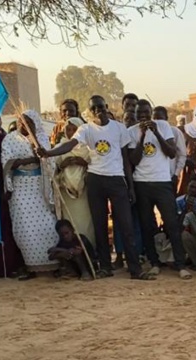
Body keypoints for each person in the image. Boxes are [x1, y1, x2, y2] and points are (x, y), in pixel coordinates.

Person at [39, 95, 145, 280]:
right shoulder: (85, 129)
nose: (98, 110)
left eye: (100, 107)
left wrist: (130, 187)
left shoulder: (119, 128)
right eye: (94, 108)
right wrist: (48, 153)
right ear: (89, 111)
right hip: (96, 180)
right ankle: (105, 266)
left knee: (126, 225)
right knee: (100, 225)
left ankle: (135, 268)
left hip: (117, 179)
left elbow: (126, 160)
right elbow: (70, 145)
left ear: (106, 106)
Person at [129, 100, 191, 280]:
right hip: (142, 183)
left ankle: (180, 264)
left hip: (163, 182)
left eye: (146, 113)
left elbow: (171, 152)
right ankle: (154, 262)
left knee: (171, 223)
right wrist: (141, 136)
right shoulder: (131, 132)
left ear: (151, 112)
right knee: (147, 225)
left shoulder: (163, 126)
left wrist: (155, 132)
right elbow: (134, 160)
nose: (143, 117)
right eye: (139, 114)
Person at [2, 109, 60, 280]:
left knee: (48, 225)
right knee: (24, 228)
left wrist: (35, 146)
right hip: (20, 189)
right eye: (20, 121)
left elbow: (49, 161)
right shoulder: (9, 139)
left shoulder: (41, 139)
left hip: (41, 189)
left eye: (27, 122)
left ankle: (53, 264)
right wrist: (29, 161)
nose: (22, 125)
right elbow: (7, 163)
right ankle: (31, 267)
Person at [0, 119, 24, 279]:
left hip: (3, 189)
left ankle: (11, 266)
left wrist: (7, 187)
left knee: (7, 227)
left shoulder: (4, 139)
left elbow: (8, 164)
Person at [52, 117, 95, 245]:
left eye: (74, 129)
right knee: (71, 223)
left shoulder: (88, 148)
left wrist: (84, 163)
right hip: (66, 194)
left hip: (84, 193)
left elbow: (96, 167)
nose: (70, 132)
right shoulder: (59, 148)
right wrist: (62, 165)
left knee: (86, 223)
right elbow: (52, 171)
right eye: (68, 129)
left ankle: (89, 250)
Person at [152, 106, 187, 191]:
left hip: (169, 176)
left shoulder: (175, 132)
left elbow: (182, 155)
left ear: (166, 118)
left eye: (160, 118)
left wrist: (176, 174)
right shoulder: (149, 132)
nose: (158, 121)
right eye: (155, 118)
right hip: (153, 177)